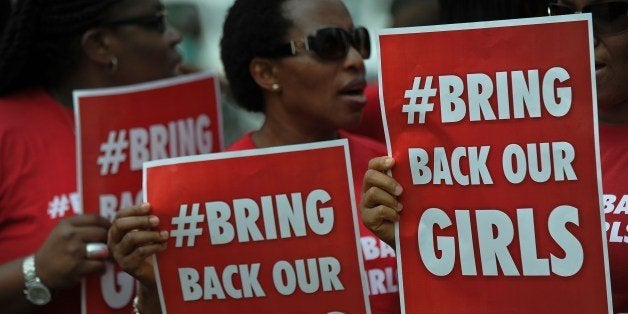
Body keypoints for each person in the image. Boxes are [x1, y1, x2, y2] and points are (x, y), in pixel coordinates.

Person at [109, 0, 401, 313]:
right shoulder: (207, 201)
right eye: (330, 44)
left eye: (358, 41)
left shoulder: (391, 171)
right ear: (265, 72)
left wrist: (410, 246)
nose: (356, 60)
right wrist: (155, 292)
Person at [360, 0, 628, 311]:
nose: (583, 32)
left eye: (610, 14)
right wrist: (416, 242)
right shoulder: (502, 143)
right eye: (562, 14)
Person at [0, 0, 182, 313]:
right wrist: (37, 270)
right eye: (157, 22)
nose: (175, 36)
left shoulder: (188, 118)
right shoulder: (8, 128)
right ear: (99, 45)